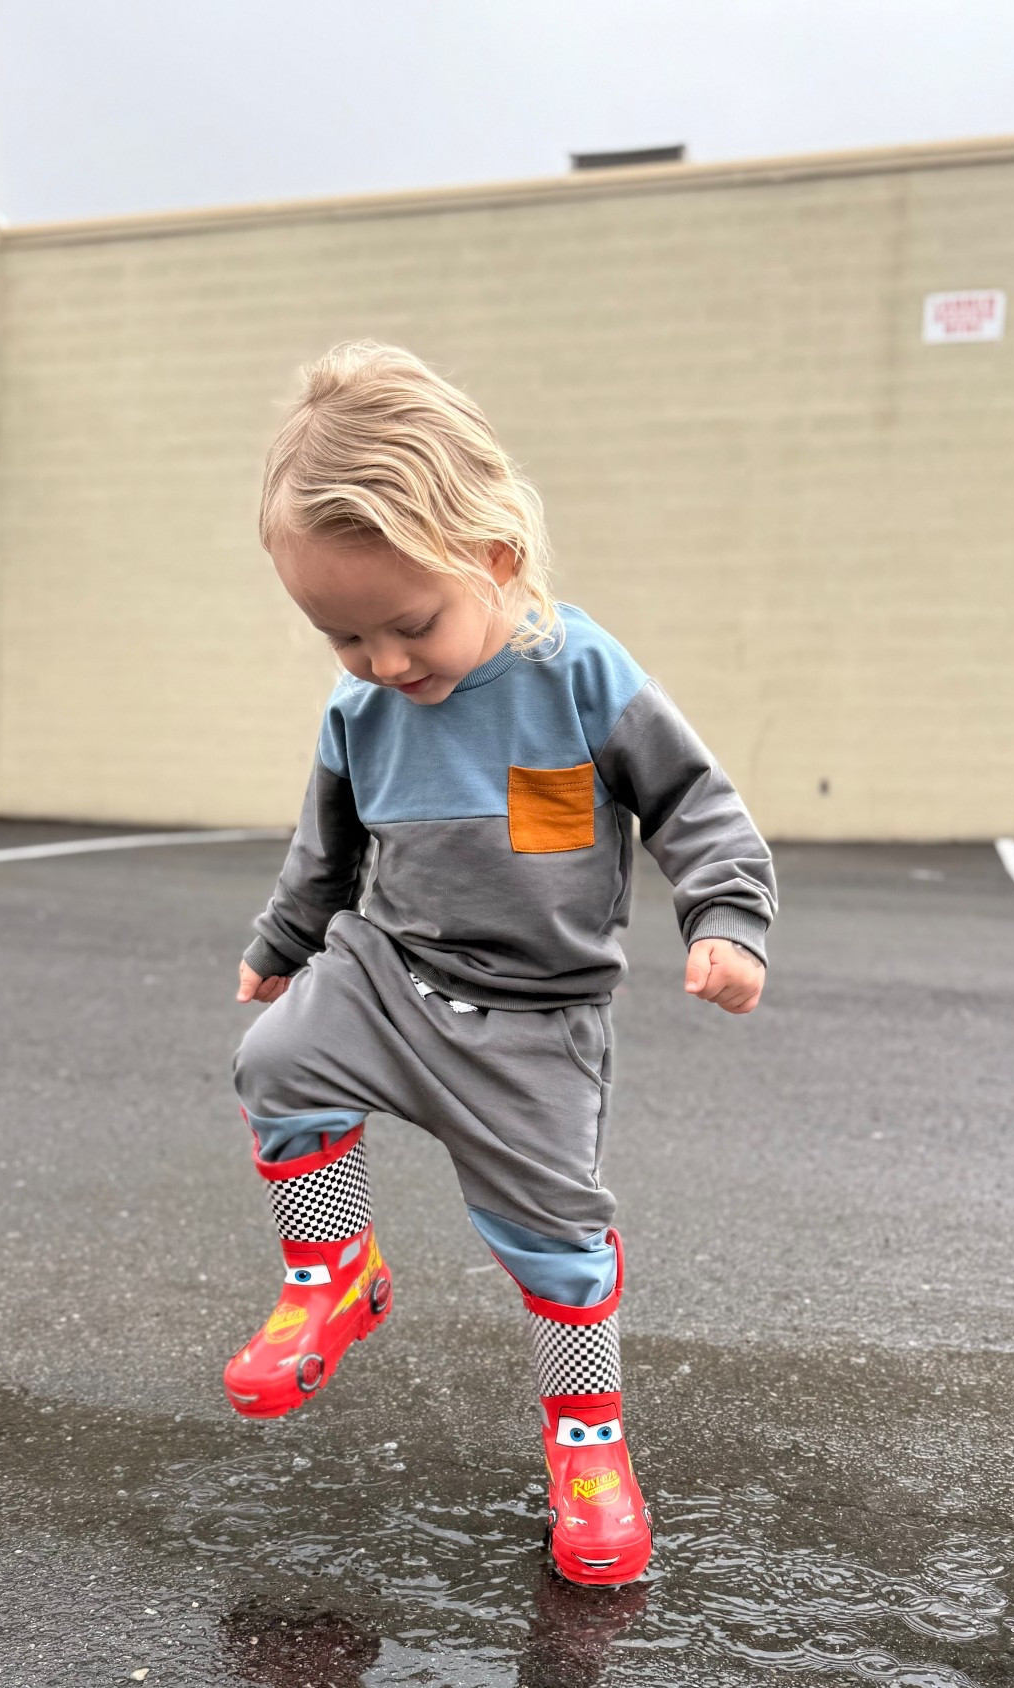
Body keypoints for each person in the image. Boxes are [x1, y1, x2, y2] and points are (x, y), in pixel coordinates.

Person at [226, 342, 776, 1586]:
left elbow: (696, 806)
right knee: (277, 1062)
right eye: (342, 636)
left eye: (408, 624)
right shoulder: (361, 712)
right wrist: (283, 946)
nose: (383, 664)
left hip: (536, 1018)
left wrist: (727, 920)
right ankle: (334, 1270)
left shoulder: (578, 675)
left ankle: (588, 1448)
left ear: (494, 555)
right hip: (389, 967)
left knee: (553, 1245)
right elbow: (327, 846)